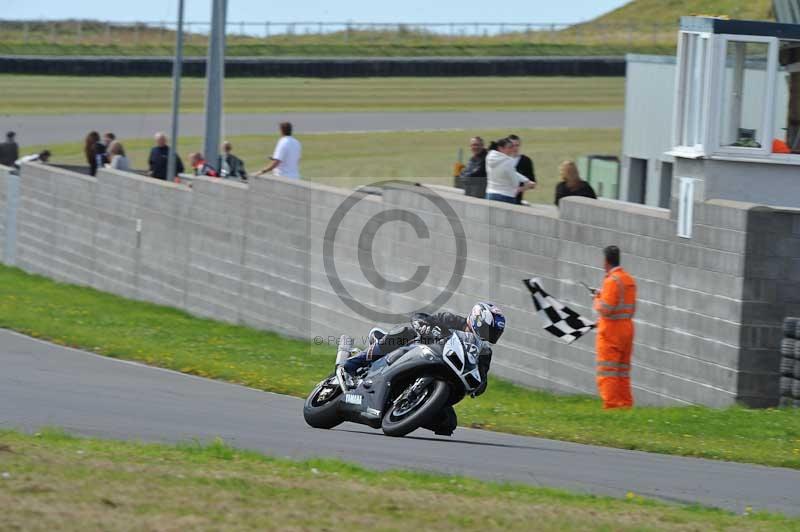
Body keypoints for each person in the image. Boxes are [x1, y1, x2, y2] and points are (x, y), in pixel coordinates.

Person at [338, 302, 506, 399]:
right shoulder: (451, 320)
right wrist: (427, 328)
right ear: (477, 320)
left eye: (494, 334)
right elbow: (419, 318)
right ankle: (352, 364)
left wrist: (478, 386)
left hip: (447, 375)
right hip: (419, 351)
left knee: (447, 424)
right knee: (405, 332)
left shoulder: (485, 352)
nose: (490, 336)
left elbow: (482, 379)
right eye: (489, 330)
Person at [593, 246, 637, 409]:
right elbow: (630, 307)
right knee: (623, 371)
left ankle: (611, 406)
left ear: (606, 261)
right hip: (627, 329)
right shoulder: (629, 280)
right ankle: (625, 404)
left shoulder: (611, 281)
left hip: (611, 332)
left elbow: (606, 309)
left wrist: (596, 299)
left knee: (608, 371)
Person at [485, 137, 536, 204]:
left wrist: (525, 180)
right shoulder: (508, 161)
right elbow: (514, 183)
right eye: (509, 147)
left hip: (490, 194)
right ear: (500, 148)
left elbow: (510, 172)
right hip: (506, 196)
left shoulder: (489, 157)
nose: (512, 149)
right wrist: (525, 185)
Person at [508, 134, 535, 204]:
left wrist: (520, 189)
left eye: (517, 145)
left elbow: (532, 182)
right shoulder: (501, 159)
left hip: (517, 200)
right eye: (512, 146)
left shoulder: (526, 161)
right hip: (500, 197)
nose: (515, 148)